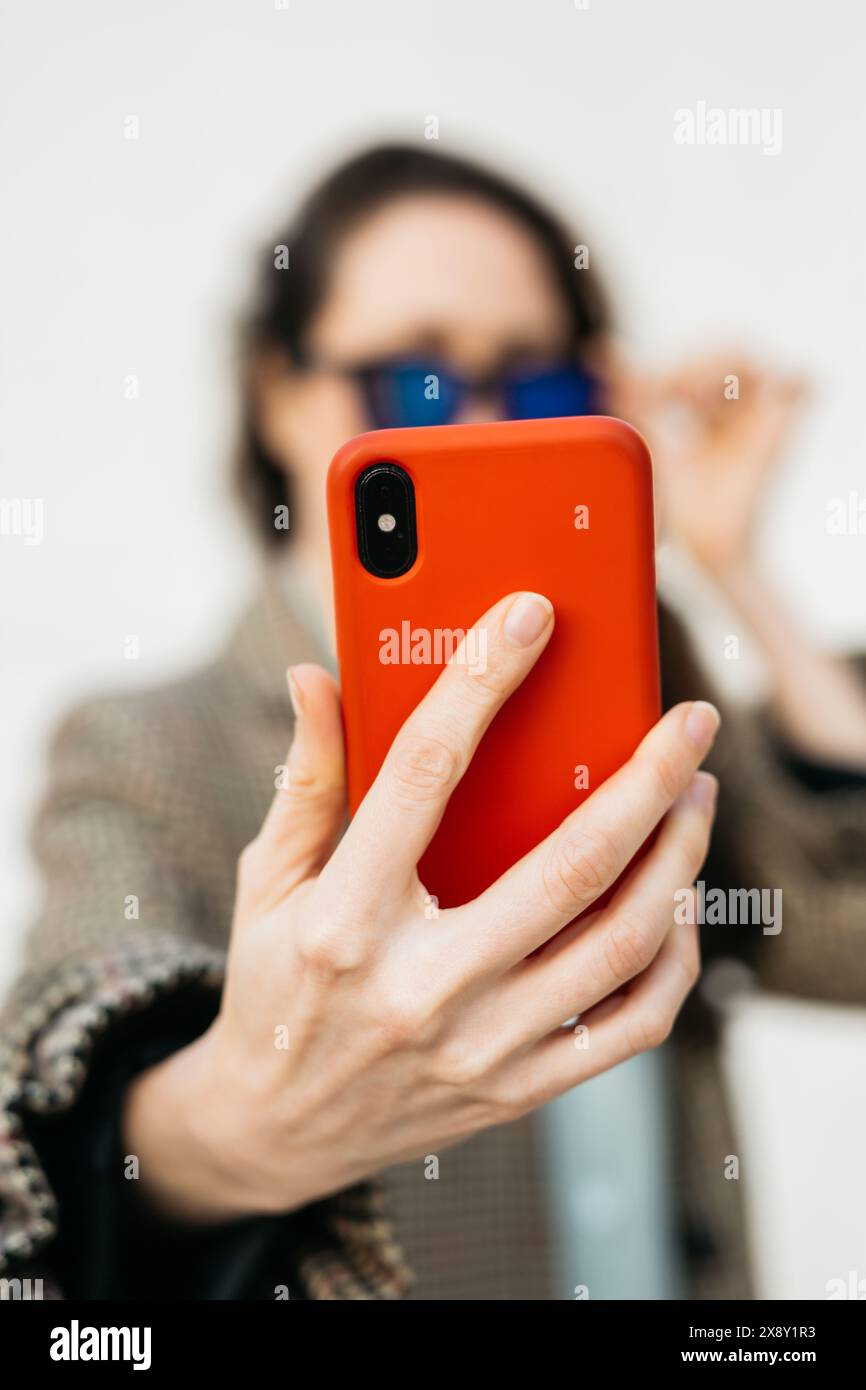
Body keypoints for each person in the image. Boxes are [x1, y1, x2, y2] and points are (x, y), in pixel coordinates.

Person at [1, 144, 865, 1301]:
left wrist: (737, 570)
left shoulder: (642, 668)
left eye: (539, 381)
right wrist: (243, 1127)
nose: (480, 421)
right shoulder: (149, 740)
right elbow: (73, 1048)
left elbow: (841, 942)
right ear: (280, 391)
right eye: (410, 382)